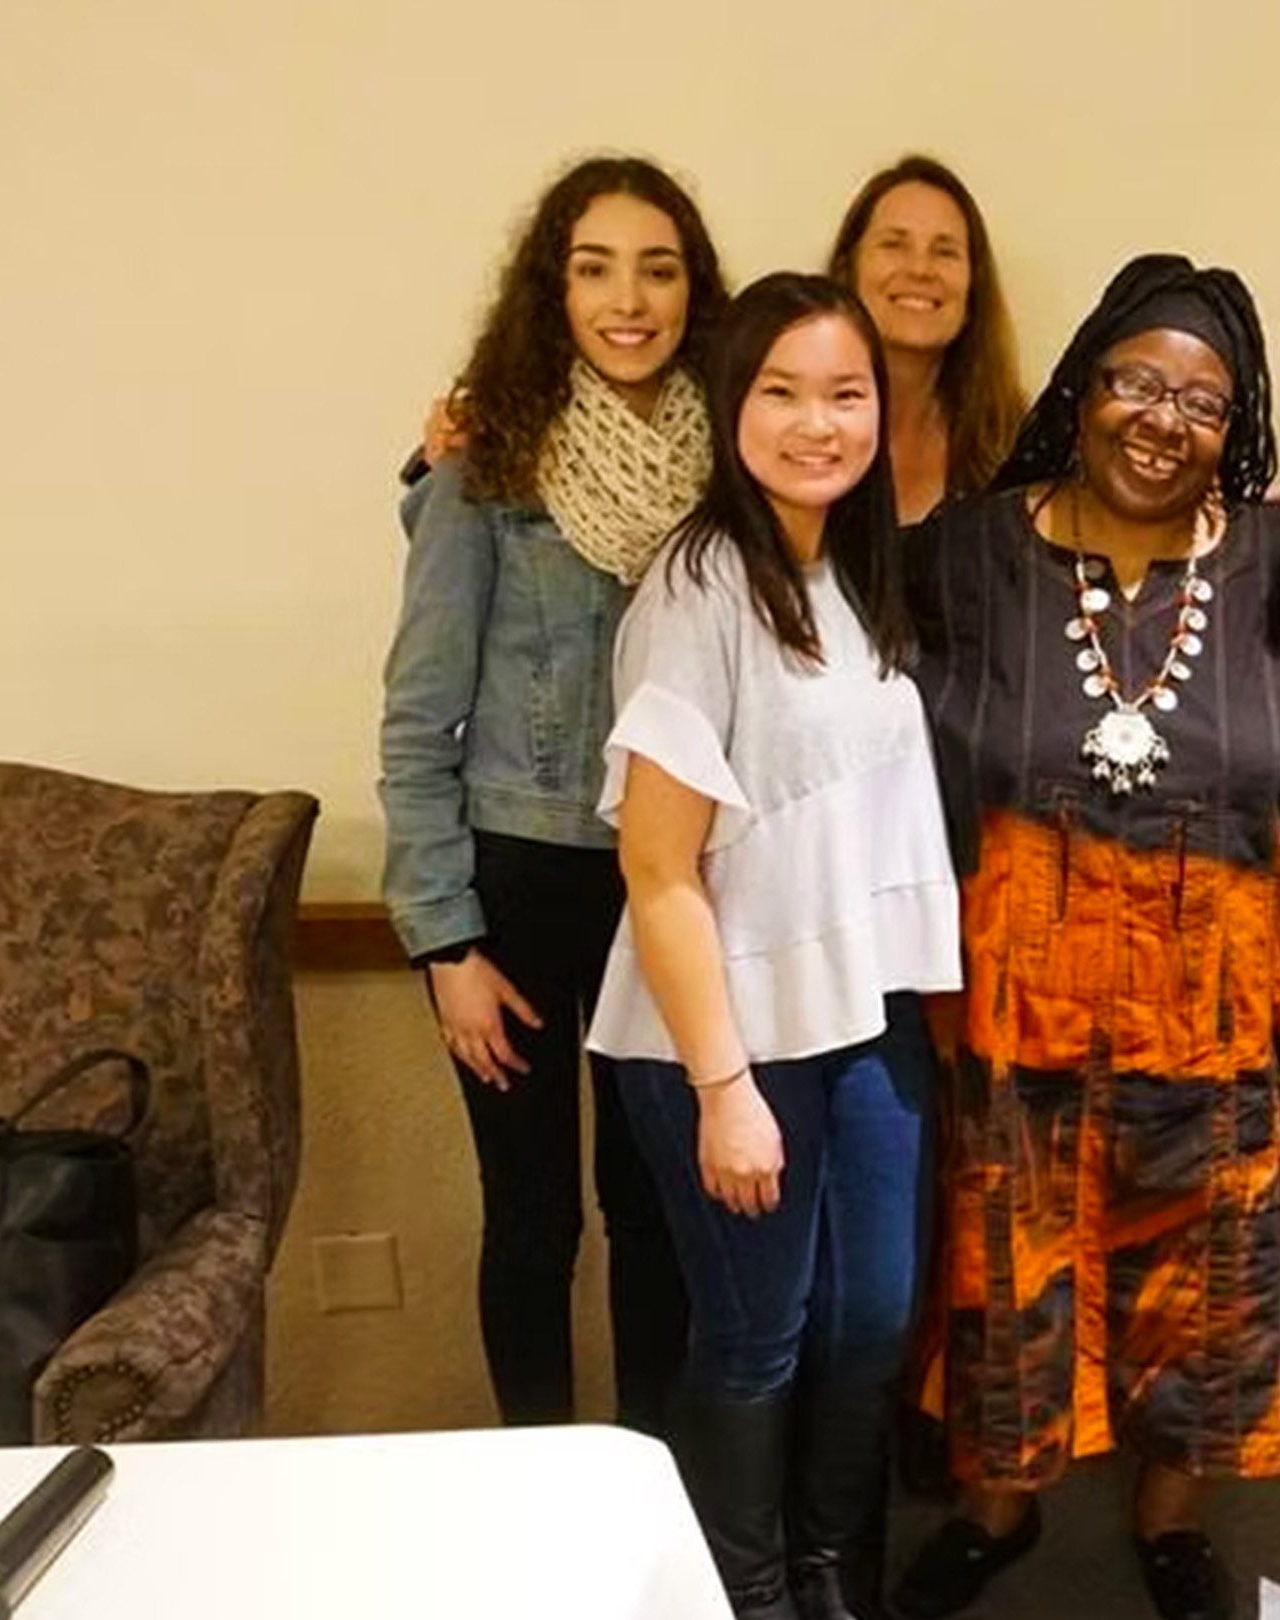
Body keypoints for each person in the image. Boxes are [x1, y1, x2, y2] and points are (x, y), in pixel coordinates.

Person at [888, 255, 1280, 1620]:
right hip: (1022, 996)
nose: (1163, 418)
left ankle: (1170, 1519)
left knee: (1205, 1283)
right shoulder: (961, 553)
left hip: (1221, 996)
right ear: (1082, 389)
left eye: (1202, 400)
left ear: (1236, 425)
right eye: (1136, 382)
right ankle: (999, 1509)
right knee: (1012, 1267)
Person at [589, 271, 962, 1620]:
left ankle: (832, 1577)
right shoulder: (696, 590)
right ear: (732, 406)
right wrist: (722, 1090)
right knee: (758, 1339)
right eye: (784, 392)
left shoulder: (849, 568)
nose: (820, 423)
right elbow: (655, 864)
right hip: (729, 1039)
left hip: (865, 1021)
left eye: (847, 394)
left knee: (870, 1328)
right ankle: (741, 1596)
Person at [376, 154, 724, 1435]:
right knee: (532, 1218)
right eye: (594, 268)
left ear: (696, 289)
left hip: (674, 886)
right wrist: (445, 943)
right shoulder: (485, 466)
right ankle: (539, 1485)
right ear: (553, 290)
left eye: (657, 267)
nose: (628, 299)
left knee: (658, 1213)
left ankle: (657, 1487)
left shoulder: (728, 468)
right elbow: (418, 722)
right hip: (517, 880)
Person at [824, 154, 1029, 526]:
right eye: (894, 245)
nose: (920, 269)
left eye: (945, 251)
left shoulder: (1011, 442)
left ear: (972, 290)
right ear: (848, 270)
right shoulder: (797, 427)